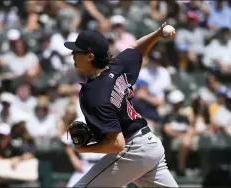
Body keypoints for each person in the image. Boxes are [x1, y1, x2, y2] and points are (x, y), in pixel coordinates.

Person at [63, 22, 178, 187]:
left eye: (77, 51)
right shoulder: (116, 66)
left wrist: (85, 149)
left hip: (133, 149)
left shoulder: (94, 94)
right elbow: (137, 48)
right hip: (150, 144)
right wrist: (157, 34)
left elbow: (117, 144)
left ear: (90, 57)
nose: (73, 53)